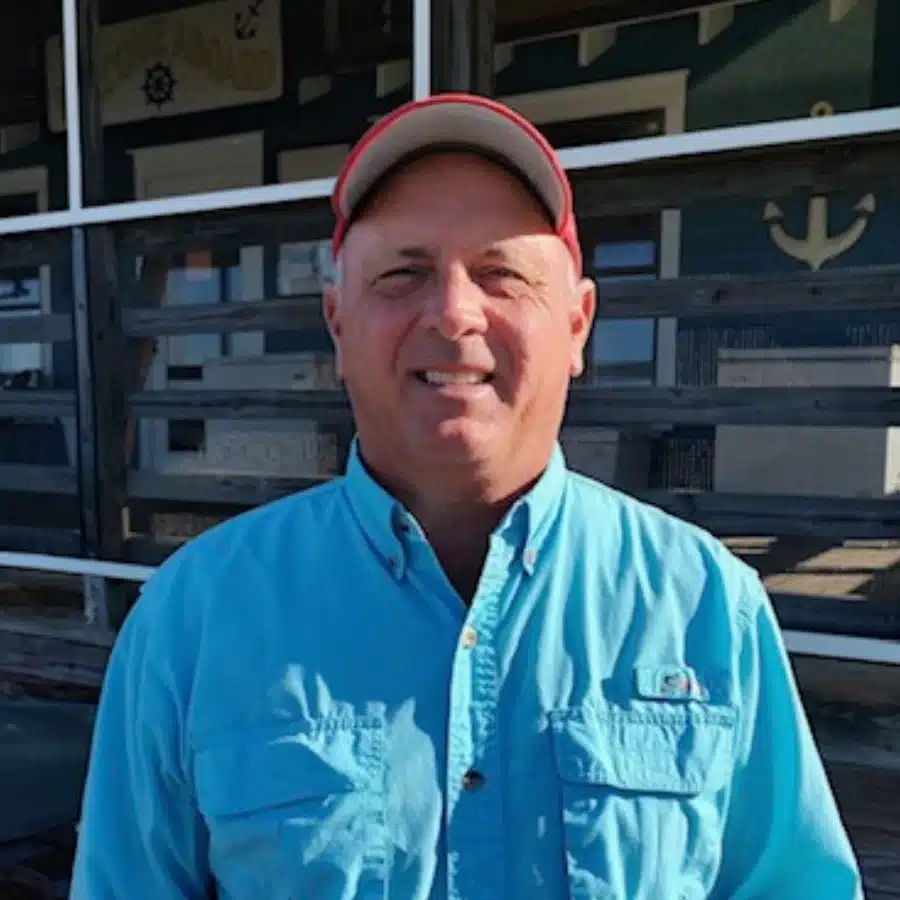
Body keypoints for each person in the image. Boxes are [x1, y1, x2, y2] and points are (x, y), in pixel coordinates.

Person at [69, 92, 863, 900]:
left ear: (579, 325)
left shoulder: (704, 607)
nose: (453, 313)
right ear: (337, 324)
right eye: (404, 274)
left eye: (501, 273)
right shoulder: (193, 619)